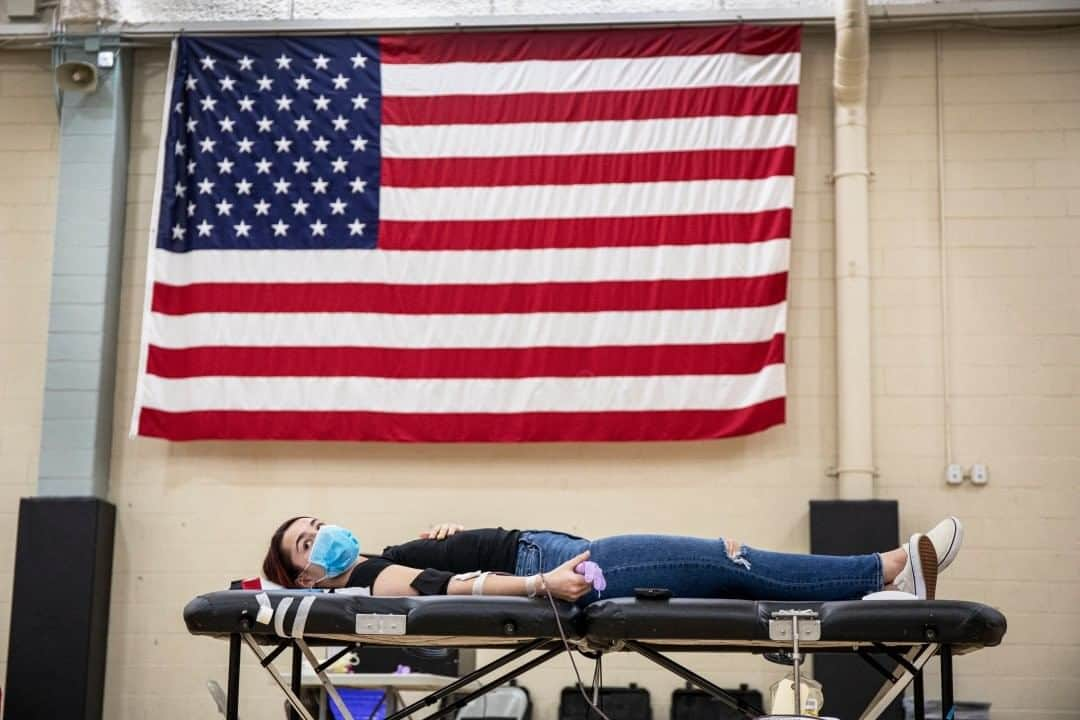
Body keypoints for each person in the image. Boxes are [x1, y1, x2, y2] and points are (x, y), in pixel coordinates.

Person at [262, 517, 963, 605]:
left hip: (563, 556)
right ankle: (887, 568)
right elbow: (450, 588)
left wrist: (441, 533)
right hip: (569, 566)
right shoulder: (360, 579)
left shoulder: (368, 563)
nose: (325, 536)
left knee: (726, 566)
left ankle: (876, 584)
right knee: (731, 559)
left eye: (319, 523)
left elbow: (437, 567)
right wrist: (541, 581)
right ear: (302, 577)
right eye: (307, 543)